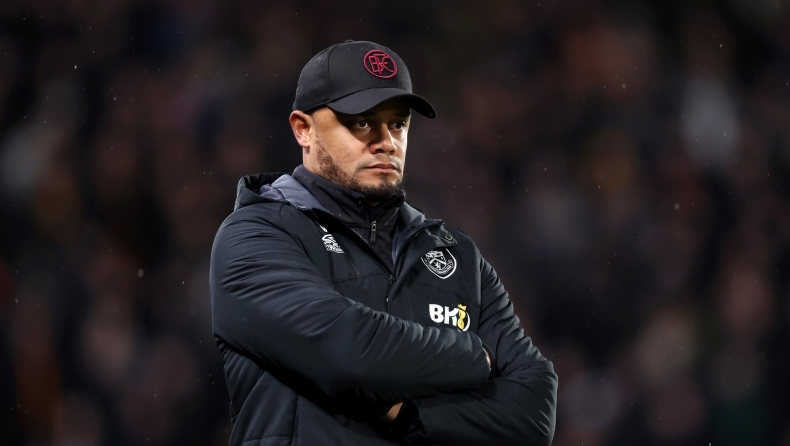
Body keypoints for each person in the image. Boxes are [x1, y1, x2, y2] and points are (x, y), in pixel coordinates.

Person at [210, 40, 557, 445]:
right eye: (361, 122)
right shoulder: (255, 234)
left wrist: (409, 415)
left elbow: (533, 415)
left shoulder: (457, 256)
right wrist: (474, 356)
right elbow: (351, 355)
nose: (387, 141)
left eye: (398, 124)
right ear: (303, 129)